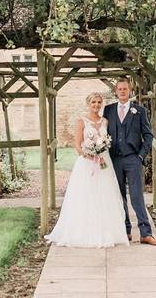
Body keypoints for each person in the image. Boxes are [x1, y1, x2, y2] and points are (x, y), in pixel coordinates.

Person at [43, 92, 129, 248]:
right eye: (93, 102)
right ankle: (84, 231)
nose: (96, 105)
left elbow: (107, 140)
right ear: (88, 103)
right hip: (87, 164)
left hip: (104, 163)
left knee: (105, 194)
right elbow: (77, 145)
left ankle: (106, 231)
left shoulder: (105, 121)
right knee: (86, 195)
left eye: (98, 102)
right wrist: (91, 156)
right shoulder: (81, 122)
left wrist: (101, 151)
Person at [104, 76, 156, 245]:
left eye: (125, 89)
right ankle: (125, 230)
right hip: (114, 160)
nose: (122, 91)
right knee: (118, 196)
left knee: (137, 197)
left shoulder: (140, 111)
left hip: (133, 159)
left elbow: (148, 136)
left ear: (130, 91)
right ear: (116, 91)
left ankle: (145, 233)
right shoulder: (108, 110)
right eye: (119, 89)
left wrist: (141, 156)